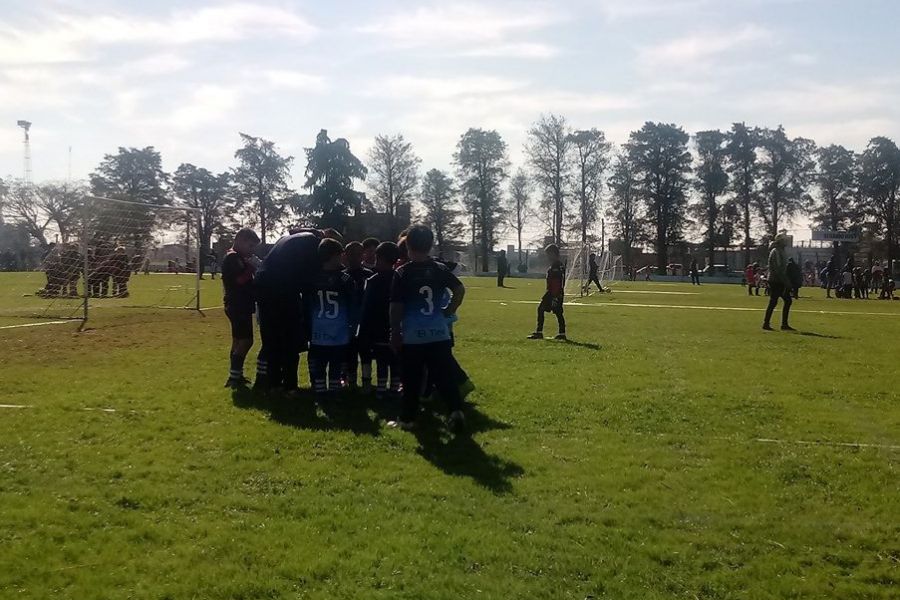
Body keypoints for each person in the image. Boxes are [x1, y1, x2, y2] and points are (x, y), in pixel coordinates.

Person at [389, 225, 466, 431]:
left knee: (411, 378)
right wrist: (449, 310)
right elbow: (459, 289)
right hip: (439, 334)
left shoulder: (402, 272)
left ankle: (408, 419)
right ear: (431, 245)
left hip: (414, 337)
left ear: (408, 245)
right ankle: (455, 411)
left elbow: (396, 307)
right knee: (444, 376)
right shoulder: (440, 269)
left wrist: (395, 331)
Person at [253, 229, 323, 393]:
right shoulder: (313, 243)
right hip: (282, 289)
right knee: (290, 339)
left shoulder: (289, 240)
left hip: (263, 285)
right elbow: (310, 277)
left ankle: (273, 383)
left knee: (272, 339)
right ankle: (290, 386)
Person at [307, 238, 358, 396]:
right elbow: (353, 305)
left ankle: (320, 392)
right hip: (339, 332)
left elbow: (307, 305)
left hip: (318, 331)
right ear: (334, 256)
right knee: (336, 365)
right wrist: (353, 326)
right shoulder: (345, 279)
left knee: (319, 364)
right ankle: (335, 394)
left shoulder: (312, 278)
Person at [357, 241, 401, 400]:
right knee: (395, 361)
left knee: (382, 361)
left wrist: (363, 330)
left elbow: (367, 308)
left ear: (379, 257)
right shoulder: (400, 278)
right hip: (395, 326)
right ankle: (395, 389)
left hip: (376, 328)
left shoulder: (373, 281)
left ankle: (381, 391)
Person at [222, 228, 260, 388]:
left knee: (237, 340)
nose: (251, 250)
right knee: (246, 340)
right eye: (250, 246)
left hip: (237, 303)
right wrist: (252, 267)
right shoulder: (233, 258)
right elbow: (239, 280)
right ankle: (234, 377)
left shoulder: (236, 257)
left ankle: (235, 375)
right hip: (238, 304)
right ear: (241, 240)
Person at [342, 241, 374, 391]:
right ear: (345, 256)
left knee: (366, 353)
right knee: (350, 353)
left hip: (366, 321)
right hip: (347, 322)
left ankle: (367, 382)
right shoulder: (341, 276)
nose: (354, 257)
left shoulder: (370, 275)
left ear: (362, 255)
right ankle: (351, 381)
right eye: (351, 254)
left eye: (357, 254)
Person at [528, 244, 566, 340]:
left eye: (548, 254)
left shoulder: (556, 265)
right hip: (556, 293)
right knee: (558, 312)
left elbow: (557, 282)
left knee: (541, 309)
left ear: (553, 253)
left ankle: (539, 332)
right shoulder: (559, 264)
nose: (547, 256)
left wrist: (554, 295)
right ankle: (562, 333)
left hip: (554, 293)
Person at [762, 234, 793, 331]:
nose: (786, 242)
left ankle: (781, 324)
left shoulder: (781, 251)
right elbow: (778, 269)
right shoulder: (776, 252)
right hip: (776, 280)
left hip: (778, 279)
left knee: (781, 301)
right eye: (784, 240)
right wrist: (785, 281)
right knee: (775, 301)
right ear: (781, 241)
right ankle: (768, 323)